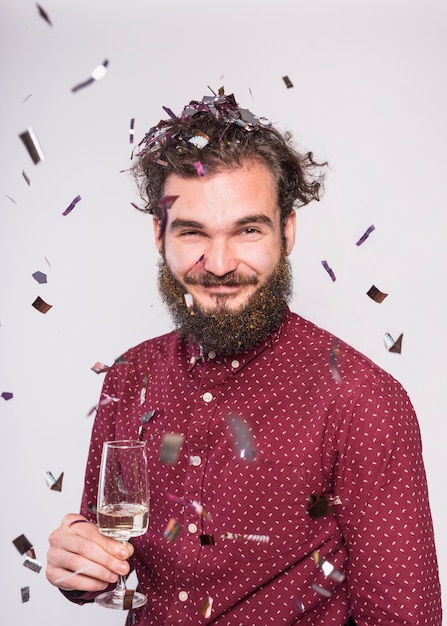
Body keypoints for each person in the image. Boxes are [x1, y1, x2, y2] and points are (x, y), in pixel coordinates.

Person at [46, 90, 442, 625]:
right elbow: (103, 552)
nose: (220, 263)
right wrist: (78, 564)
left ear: (288, 232)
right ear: (160, 234)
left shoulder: (364, 403)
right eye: (193, 232)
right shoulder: (128, 376)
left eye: (248, 230)